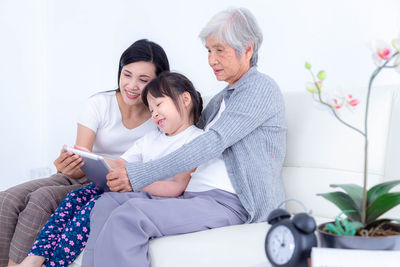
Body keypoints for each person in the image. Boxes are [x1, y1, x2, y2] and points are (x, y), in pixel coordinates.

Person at [82, 7, 287, 267]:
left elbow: (212, 142)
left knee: (129, 217)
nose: (212, 60)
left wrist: (139, 174)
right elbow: (182, 139)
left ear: (247, 49)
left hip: (231, 203)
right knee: (107, 204)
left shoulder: (260, 89)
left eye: (219, 50)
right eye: (208, 51)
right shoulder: (221, 99)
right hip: (195, 196)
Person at [0, 39, 170, 266]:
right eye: (126, 74)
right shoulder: (99, 104)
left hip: (112, 186)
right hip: (79, 176)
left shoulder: (160, 117)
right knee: (7, 199)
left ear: (158, 82)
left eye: (143, 80)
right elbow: (81, 158)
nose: (131, 85)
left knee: (41, 200)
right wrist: (66, 165)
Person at [14, 71, 204, 267]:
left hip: (150, 195)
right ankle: (34, 258)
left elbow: (176, 188)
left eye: (159, 105)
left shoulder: (196, 139)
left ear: (185, 99)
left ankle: (52, 264)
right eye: (151, 109)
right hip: (128, 186)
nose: (154, 114)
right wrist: (89, 157)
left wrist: (134, 183)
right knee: (74, 197)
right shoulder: (152, 138)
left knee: (92, 208)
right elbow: (120, 163)